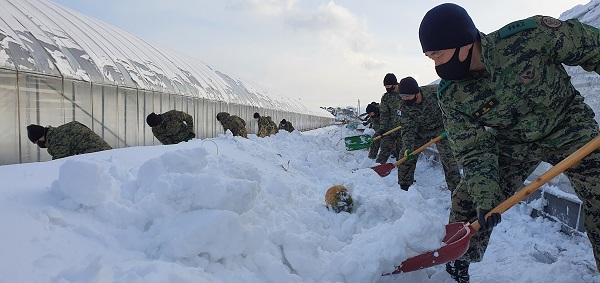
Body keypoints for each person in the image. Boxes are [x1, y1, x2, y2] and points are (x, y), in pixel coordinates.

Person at [419, 3, 600, 282]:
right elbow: (473, 149)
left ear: (465, 43)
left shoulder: (531, 37)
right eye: (430, 58)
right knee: (467, 202)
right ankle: (458, 266)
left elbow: (592, 46)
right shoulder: (453, 94)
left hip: (569, 126)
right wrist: (487, 198)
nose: (437, 64)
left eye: (439, 55)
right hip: (514, 142)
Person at [396, 76, 461, 192]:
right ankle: (404, 187)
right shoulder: (403, 106)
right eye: (402, 96)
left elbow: (454, 104)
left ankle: (456, 192)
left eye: (408, 96)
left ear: (416, 92)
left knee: (449, 161)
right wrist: (408, 147)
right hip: (421, 131)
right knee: (405, 155)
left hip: (442, 129)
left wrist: (452, 125)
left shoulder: (435, 92)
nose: (405, 99)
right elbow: (407, 128)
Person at [26, 121, 112, 160]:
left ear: (41, 136)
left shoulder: (57, 140)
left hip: (98, 157)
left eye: (37, 142)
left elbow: (59, 163)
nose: (38, 144)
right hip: (106, 152)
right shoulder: (60, 131)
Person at [375, 73, 402, 164]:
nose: (387, 88)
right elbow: (384, 114)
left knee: (402, 155)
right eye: (385, 86)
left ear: (395, 84)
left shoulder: (404, 93)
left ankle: (403, 176)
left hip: (404, 129)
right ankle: (375, 173)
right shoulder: (386, 97)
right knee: (384, 151)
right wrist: (382, 128)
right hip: (389, 129)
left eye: (389, 86)